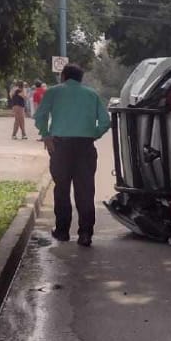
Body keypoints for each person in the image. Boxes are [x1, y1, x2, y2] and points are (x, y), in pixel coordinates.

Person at [34, 64, 110, 247]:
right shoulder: (91, 94)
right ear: (81, 79)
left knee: (61, 189)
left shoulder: (53, 92)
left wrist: (46, 134)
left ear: (63, 77)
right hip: (85, 146)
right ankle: (85, 234)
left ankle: (62, 231)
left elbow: (40, 116)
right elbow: (106, 121)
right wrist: (94, 133)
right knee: (85, 191)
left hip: (60, 146)